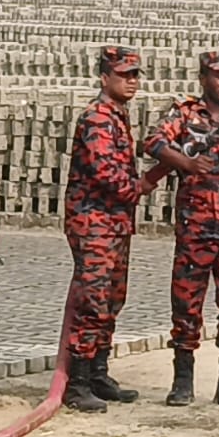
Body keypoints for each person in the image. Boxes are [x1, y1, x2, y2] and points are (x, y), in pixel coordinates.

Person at [146, 51, 219, 408]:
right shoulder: (184, 114)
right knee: (186, 305)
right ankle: (182, 380)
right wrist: (186, 162)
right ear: (203, 79)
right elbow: (152, 142)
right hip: (195, 228)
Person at [60, 46, 161, 413]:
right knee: (93, 301)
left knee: (113, 298)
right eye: (124, 75)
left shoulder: (118, 116)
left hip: (115, 223)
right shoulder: (97, 118)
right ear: (105, 78)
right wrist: (143, 183)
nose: (131, 82)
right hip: (94, 223)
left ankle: (99, 372)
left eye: (135, 75)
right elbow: (109, 177)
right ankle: (79, 382)